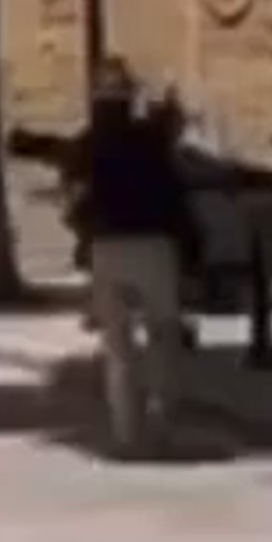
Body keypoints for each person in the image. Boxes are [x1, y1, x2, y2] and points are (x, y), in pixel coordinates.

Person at [74, 58, 198, 455]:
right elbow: (175, 182)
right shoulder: (151, 139)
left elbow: (77, 191)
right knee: (162, 335)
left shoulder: (89, 143)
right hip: (153, 245)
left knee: (118, 345)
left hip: (107, 246)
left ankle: (127, 432)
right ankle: (161, 423)